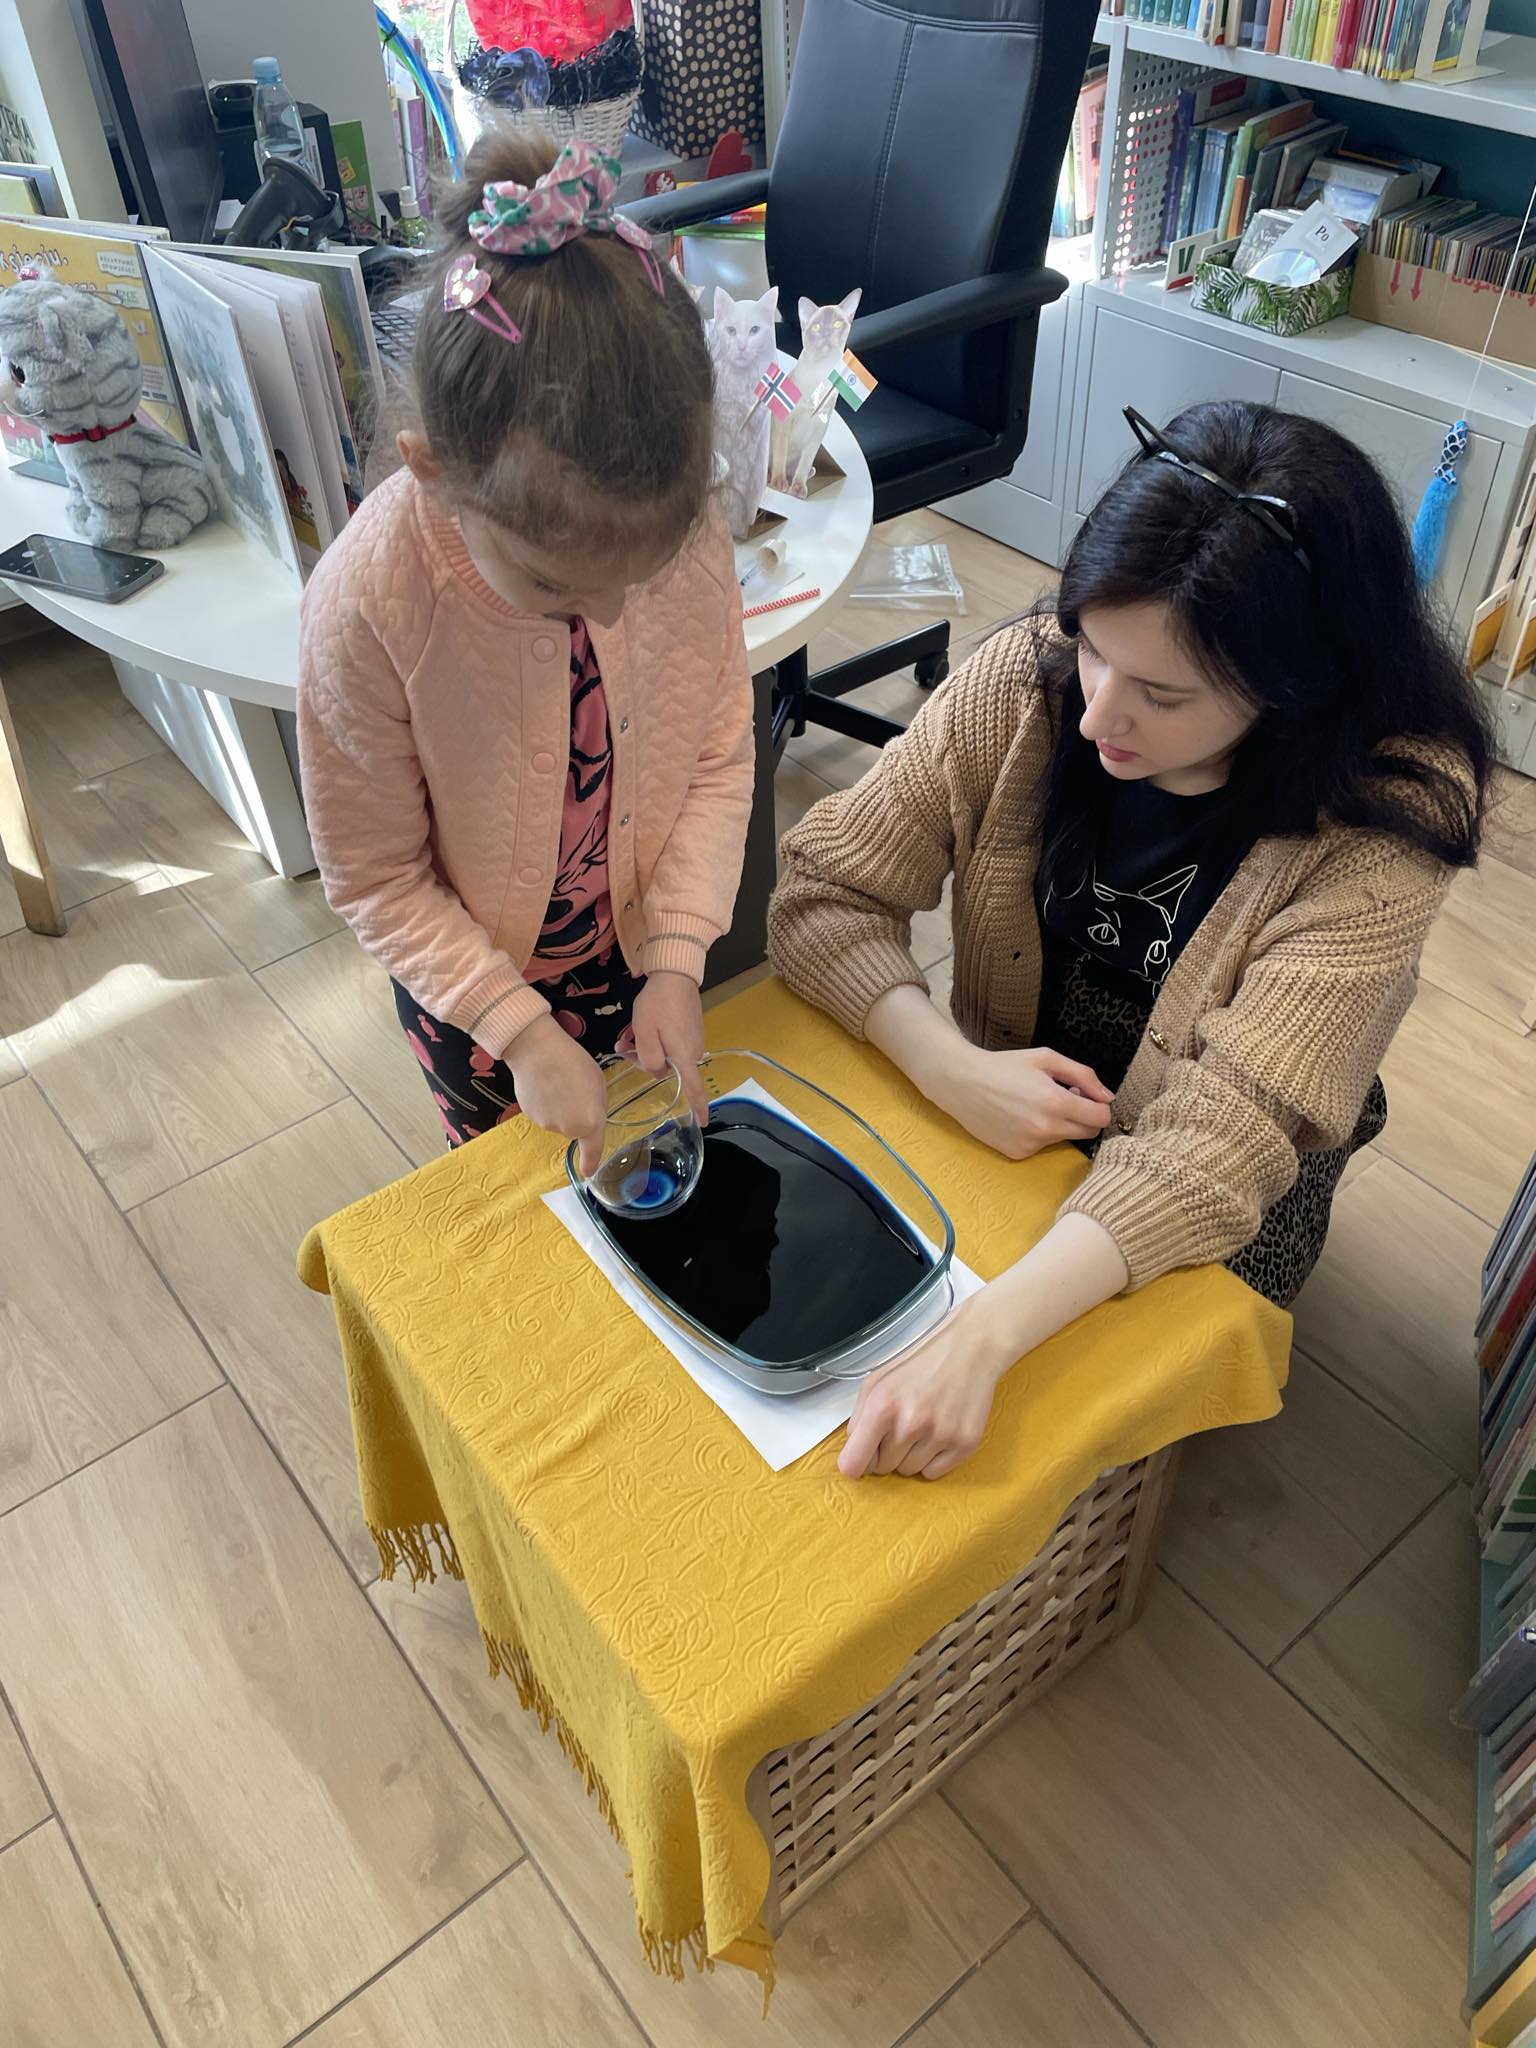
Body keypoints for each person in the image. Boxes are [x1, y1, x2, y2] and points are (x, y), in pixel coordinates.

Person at [769, 399, 1492, 1482]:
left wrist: (984, 1336)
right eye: (1095, 650)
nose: (1100, 714)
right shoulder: (1027, 683)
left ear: (1296, 686)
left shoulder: (1383, 824)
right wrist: (948, 1064)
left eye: (1164, 694)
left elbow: (1226, 1137)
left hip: (1240, 1140)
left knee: (1128, 1423)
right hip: (1011, 1089)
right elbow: (825, 892)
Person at [298, 131, 753, 1167]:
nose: (613, 613)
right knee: (516, 1190)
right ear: (433, 471)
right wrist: (521, 1032)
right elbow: (377, 876)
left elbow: (717, 755)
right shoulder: (367, 605)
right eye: (556, 586)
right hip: (470, 990)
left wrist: (677, 958)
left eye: (641, 575)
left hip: (636, 940)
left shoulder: (684, 526)